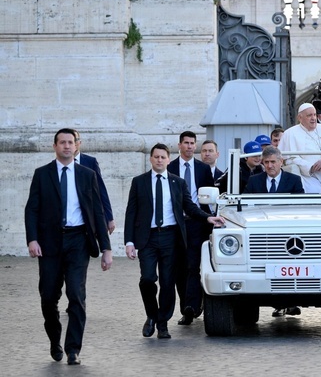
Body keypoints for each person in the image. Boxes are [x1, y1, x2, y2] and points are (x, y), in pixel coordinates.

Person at [25, 128, 113, 365]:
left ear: (76, 146)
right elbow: (32, 209)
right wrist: (32, 239)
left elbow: (96, 211)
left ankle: (73, 348)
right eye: (62, 142)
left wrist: (106, 248)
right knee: (48, 297)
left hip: (78, 241)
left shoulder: (87, 174)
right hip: (49, 243)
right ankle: (55, 340)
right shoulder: (42, 174)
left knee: (76, 294)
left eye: (70, 142)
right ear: (54, 146)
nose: (66, 146)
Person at [125, 143, 224, 339]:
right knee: (147, 279)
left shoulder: (177, 182)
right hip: (148, 238)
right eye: (156, 157)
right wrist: (129, 241)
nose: (159, 160)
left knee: (168, 282)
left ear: (169, 160)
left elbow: (190, 206)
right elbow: (131, 212)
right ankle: (151, 315)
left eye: (163, 157)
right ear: (151, 159)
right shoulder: (139, 182)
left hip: (171, 238)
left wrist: (207, 217)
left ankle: (162, 323)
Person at [243, 146, 305, 317]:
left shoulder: (293, 180)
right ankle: (278, 304)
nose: (270, 166)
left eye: (273, 162)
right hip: (263, 232)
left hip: (288, 231)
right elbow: (245, 204)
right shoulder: (254, 181)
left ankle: (290, 303)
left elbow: (300, 205)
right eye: (266, 162)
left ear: (281, 162)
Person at [167, 131, 215, 326]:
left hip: (197, 223)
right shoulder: (169, 168)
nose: (188, 146)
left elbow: (211, 199)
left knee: (193, 266)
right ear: (179, 145)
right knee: (179, 268)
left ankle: (191, 308)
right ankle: (185, 305)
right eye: (185, 143)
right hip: (175, 224)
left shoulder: (203, 169)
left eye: (192, 143)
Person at [278, 103, 321, 193]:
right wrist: (310, 167)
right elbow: (288, 160)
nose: (313, 118)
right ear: (300, 118)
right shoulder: (290, 134)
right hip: (308, 177)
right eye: (309, 115)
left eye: (314, 114)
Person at [73, 129, 116, 234]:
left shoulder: (90, 162)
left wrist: (109, 217)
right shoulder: (57, 165)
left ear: (80, 142)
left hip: (89, 216)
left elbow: (100, 189)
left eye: (75, 140)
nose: (72, 144)